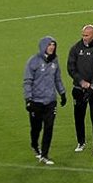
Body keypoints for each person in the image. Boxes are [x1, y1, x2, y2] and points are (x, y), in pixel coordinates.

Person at [66, 23, 93, 157]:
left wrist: (92, 85)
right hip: (79, 89)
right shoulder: (75, 48)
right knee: (79, 117)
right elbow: (70, 67)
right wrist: (81, 81)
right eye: (83, 35)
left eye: (86, 35)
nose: (84, 38)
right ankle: (81, 142)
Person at [23, 35, 66, 165]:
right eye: (49, 45)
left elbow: (57, 79)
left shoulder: (55, 61)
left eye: (53, 45)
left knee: (49, 127)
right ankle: (35, 145)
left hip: (50, 101)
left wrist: (62, 93)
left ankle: (45, 154)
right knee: (36, 128)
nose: (52, 47)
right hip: (36, 101)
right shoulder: (33, 61)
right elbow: (27, 81)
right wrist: (28, 99)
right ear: (43, 47)